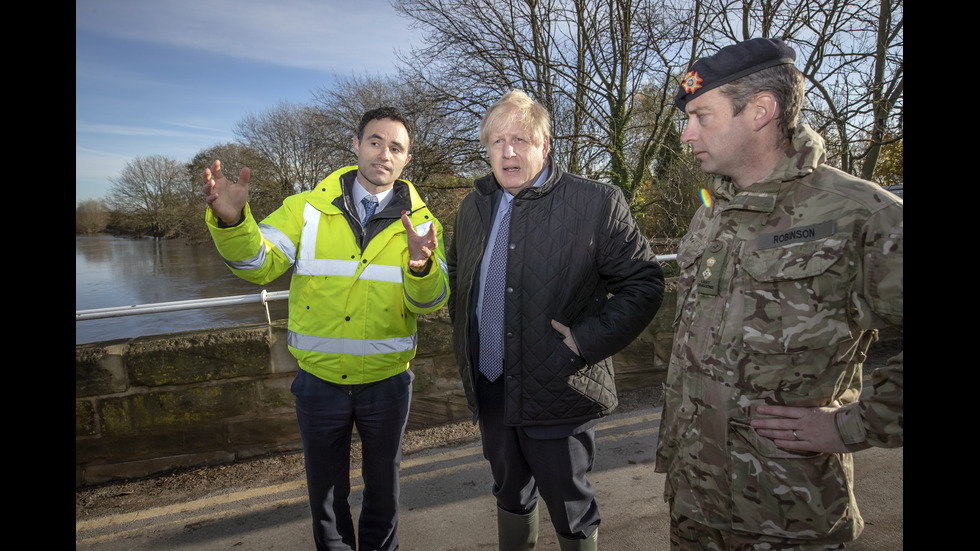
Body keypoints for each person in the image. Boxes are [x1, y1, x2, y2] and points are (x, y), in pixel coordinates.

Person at [654, 38, 903, 550]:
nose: (686, 134)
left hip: (784, 513)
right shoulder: (710, 214)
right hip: (692, 505)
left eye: (702, 116)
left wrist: (852, 426)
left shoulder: (861, 215)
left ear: (761, 111)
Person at [202, 107, 449, 551]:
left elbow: (430, 300)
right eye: (375, 141)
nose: (384, 154)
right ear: (355, 147)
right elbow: (257, 264)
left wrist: (421, 264)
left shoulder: (425, 224)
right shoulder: (305, 210)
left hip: (387, 383)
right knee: (326, 499)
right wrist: (234, 223)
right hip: (318, 384)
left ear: (406, 160)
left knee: (384, 495)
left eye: (396, 147)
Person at [447, 89, 665, 550]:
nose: (508, 152)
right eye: (497, 141)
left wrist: (586, 340)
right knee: (508, 493)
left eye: (521, 139)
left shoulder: (596, 202)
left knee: (570, 505)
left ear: (545, 145)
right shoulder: (472, 208)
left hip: (559, 386)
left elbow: (644, 284)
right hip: (491, 389)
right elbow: (459, 279)